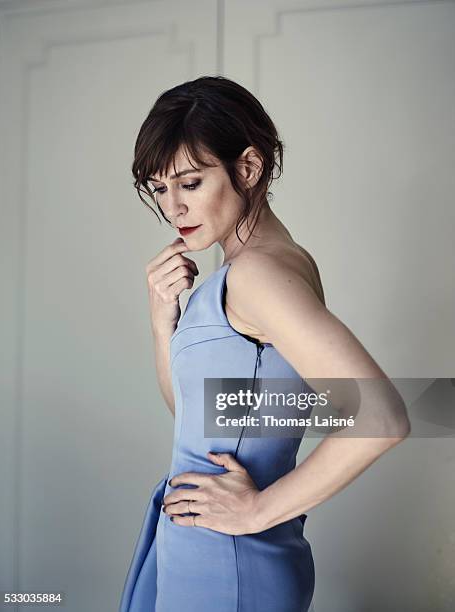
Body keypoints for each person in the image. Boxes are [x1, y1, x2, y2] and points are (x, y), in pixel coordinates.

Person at [119, 76, 410, 612]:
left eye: (190, 182)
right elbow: (195, 420)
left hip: (228, 561)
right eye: (161, 188)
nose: (173, 208)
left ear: (248, 169)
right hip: (203, 550)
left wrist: (256, 512)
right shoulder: (251, 272)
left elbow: (382, 416)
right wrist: (164, 325)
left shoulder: (257, 275)